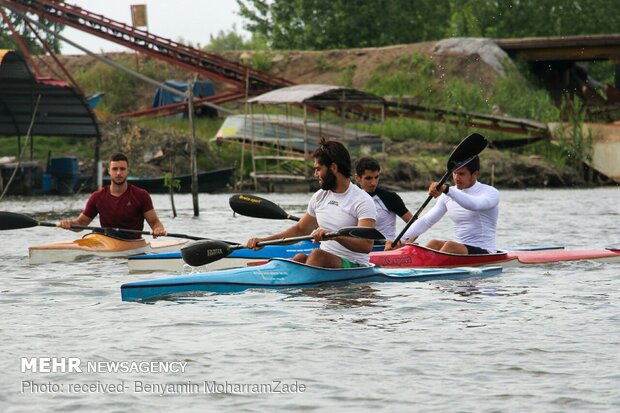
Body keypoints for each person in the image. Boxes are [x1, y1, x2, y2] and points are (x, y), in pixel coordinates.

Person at [246, 138, 377, 268]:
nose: (315, 174)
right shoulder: (319, 197)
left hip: (355, 265)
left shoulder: (362, 200)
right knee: (299, 258)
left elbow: (366, 245)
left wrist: (333, 236)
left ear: (333, 167)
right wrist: (264, 241)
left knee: (317, 255)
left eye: (318, 169)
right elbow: (300, 230)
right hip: (325, 262)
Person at [386, 155, 499, 254]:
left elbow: (474, 205)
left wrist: (447, 190)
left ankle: (427, 271)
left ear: (475, 174)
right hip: (461, 251)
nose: (456, 178)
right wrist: (401, 240)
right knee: (433, 243)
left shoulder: (490, 192)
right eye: (454, 173)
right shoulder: (449, 195)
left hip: (486, 251)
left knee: (451, 246)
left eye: (461, 174)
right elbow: (426, 221)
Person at [59, 152, 166, 239]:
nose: (118, 173)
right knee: (96, 232)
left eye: (122, 169)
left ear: (127, 171)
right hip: (106, 240)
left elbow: (154, 222)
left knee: (99, 232)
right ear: (109, 171)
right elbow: (81, 223)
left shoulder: (141, 195)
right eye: (115, 169)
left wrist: (158, 229)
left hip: (132, 243)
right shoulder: (97, 197)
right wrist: (69, 224)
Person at [354, 157, 413, 240]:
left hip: (385, 249)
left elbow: (415, 224)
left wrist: (403, 242)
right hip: (359, 250)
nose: (373, 183)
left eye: (376, 177)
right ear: (357, 178)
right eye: (368, 178)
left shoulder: (390, 198)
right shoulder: (352, 198)